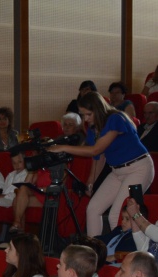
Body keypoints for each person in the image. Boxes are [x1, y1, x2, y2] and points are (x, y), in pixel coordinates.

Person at [49, 92, 154, 237]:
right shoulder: (94, 128)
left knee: (115, 215)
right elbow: (98, 157)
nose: (86, 119)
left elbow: (95, 150)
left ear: (98, 109)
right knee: (93, 209)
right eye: (83, 115)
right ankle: (95, 248)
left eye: (88, 114)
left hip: (138, 168)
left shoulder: (115, 118)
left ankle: (122, 248)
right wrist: (91, 181)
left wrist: (62, 147)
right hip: (117, 171)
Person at [99, 195, 158, 260]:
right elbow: (143, 248)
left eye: (127, 219)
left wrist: (136, 215)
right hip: (145, 262)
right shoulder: (119, 229)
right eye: (123, 218)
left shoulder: (130, 237)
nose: (123, 222)